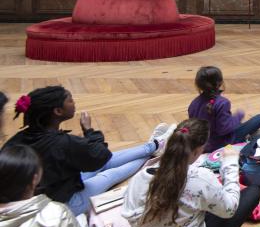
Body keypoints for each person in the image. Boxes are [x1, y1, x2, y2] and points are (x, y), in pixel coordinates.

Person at [121, 118, 260, 227]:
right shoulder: (200, 178)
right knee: (252, 193)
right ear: (197, 151)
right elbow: (229, 209)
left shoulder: (139, 179)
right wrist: (230, 164)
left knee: (197, 206)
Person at [5, 86, 165, 217]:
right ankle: (153, 153)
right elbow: (101, 156)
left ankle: (154, 146)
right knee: (109, 174)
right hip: (63, 204)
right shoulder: (62, 143)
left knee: (105, 165)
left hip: (56, 187)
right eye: (70, 100)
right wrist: (89, 130)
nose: (74, 103)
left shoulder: (16, 140)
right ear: (58, 111)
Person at [188, 66, 260, 153]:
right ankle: (252, 136)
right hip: (221, 144)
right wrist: (238, 116)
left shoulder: (193, 103)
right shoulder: (222, 103)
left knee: (237, 123)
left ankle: (249, 133)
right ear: (220, 82)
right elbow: (224, 130)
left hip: (202, 145)